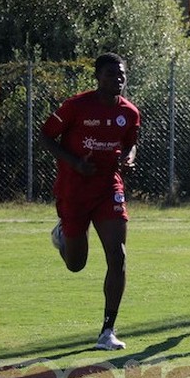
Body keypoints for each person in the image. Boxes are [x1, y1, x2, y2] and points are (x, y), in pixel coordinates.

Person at [40, 52, 141, 350]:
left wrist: (129, 157)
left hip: (109, 187)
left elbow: (130, 143)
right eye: (111, 74)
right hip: (74, 188)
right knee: (76, 264)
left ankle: (107, 331)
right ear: (97, 77)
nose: (118, 79)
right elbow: (45, 136)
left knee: (118, 256)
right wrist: (74, 163)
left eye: (121, 74)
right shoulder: (76, 106)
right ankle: (63, 235)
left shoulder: (130, 112)